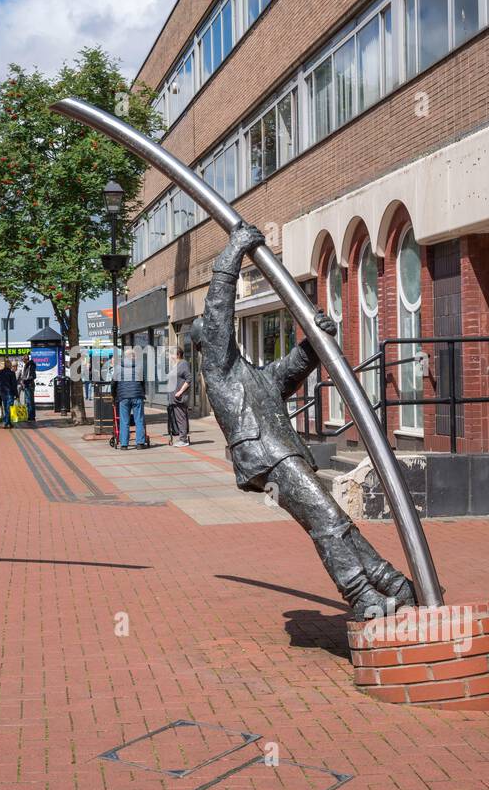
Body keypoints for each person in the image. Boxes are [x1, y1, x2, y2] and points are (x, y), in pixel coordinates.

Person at [194, 225, 416, 620]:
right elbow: (217, 312)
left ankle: (391, 582)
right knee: (327, 521)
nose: (222, 337)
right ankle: (363, 597)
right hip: (267, 457)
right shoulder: (219, 371)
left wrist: (313, 343)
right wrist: (234, 252)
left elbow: (287, 373)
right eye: (216, 336)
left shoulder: (250, 377)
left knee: (334, 520)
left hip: (279, 453)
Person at [115, 347, 147, 449]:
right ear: (133, 357)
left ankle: (124, 444)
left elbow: (113, 383)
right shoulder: (139, 367)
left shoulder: (118, 367)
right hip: (137, 395)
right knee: (139, 419)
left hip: (123, 397)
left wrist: (114, 395)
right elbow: (143, 382)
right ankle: (140, 443)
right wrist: (143, 393)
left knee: (124, 420)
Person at [166, 345, 192, 446]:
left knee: (181, 418)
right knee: (179, 418)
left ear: (177, 354)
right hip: (174, 397)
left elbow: (189, 379)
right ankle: (182, 438)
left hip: (179, 397)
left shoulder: (183, 364)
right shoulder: (176, 365)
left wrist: (180, 391)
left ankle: (183, 440)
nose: (169, 356)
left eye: (171, 354)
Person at [0, 360, 19, 428]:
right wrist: (16, 395)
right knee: (8, 407)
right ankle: (6, 422)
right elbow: (14, 385)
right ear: (9, 365)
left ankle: (8, 422)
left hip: (2, 392)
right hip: (9, 392)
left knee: (6, 407)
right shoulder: (12, 373)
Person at [20, 355, 38, 423]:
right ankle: (30, 416)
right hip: (27, 385)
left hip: (29, 385)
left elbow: (32, 376)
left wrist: (25, 380)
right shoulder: (27, 365)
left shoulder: (30, 365)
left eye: (23, 359)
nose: (22, 361)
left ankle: (31, 416)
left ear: (25, 359)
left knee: (30, 401)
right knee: (28, 401)